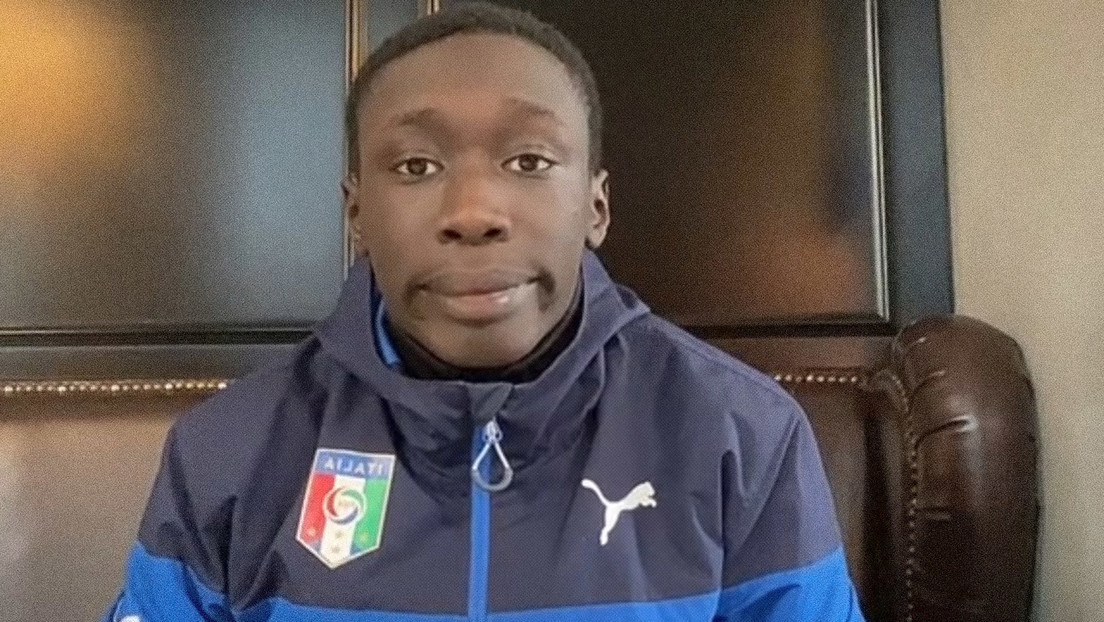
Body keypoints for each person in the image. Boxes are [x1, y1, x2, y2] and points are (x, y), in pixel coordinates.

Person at [105, 3, 864, 620]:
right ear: (357, 214)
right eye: (417, 165)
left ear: (595, 206)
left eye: (529, 161)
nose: (472, 212)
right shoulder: (230, 451)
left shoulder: (740, 436)